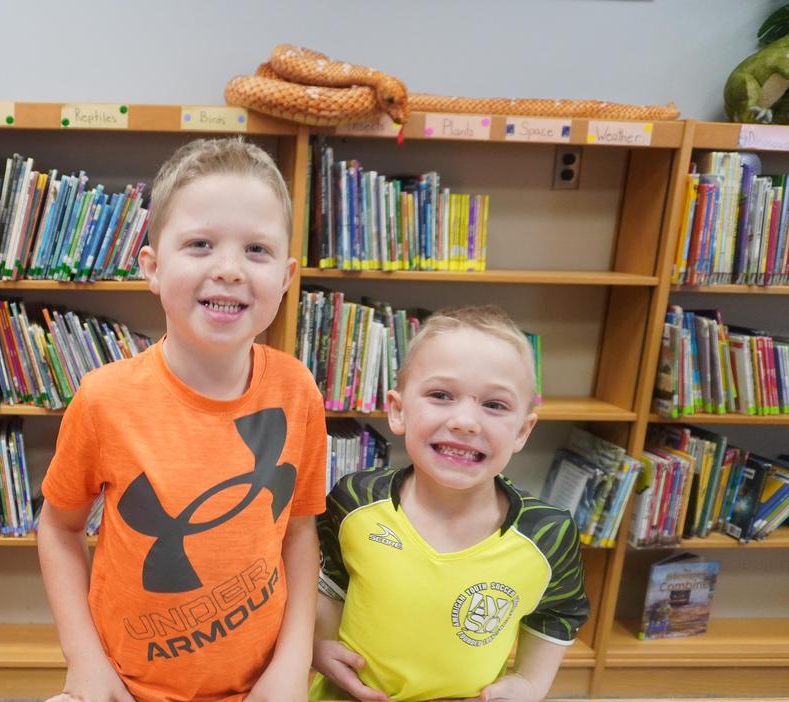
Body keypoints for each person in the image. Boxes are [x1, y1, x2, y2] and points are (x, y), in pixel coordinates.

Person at [37, 137, 326, 702]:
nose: (229, 270)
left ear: (288, 276)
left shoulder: (297, 391)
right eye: (200, 244)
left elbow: (298, 531)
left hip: (261, 689)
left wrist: (292, 666)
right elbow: (58, 527)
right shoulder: (104, 400)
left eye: (257, 251)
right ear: (152, 267)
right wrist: (85, 663)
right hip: (124, 686)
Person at [311, 305, 589, 702]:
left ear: (522, 431)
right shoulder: (353, 500)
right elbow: (328, 580)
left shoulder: (548, 533)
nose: (465, 421)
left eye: (494, 405)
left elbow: (561, 612)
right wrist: (319, 646)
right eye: (441, 395)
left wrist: (530, 681)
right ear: (398, 409)